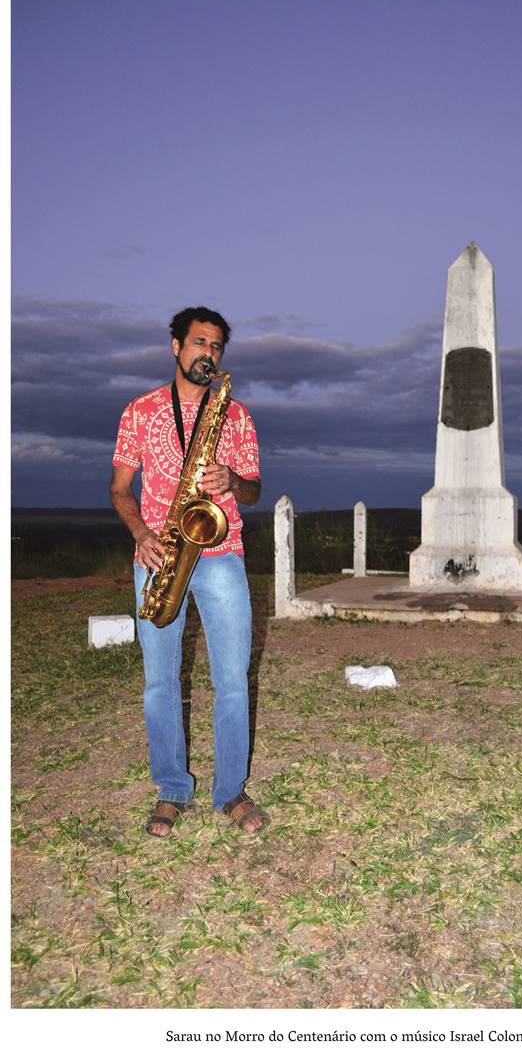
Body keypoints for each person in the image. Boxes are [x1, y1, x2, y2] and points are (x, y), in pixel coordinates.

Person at [110, 306, 269, 838]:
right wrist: (141, 533)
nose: (209, 353)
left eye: (217, 346)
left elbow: (254, 490)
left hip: (221, 553)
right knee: (160, 682)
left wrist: (232, 481)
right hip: (159, 553)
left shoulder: (237, 414)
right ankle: (173, 787)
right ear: (176, 346)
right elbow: (119, 488)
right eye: (200, 342)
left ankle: (230, 792)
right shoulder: (140, 411)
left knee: (231, 681)